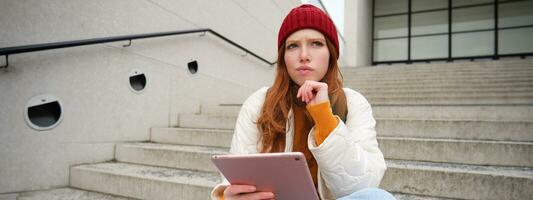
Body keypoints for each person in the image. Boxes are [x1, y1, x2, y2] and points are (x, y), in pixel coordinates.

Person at [211, 4, 395, 200]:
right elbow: (237, 175)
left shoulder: (353, 102)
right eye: (293, 46)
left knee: (376, 197)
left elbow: (361, 185)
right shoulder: (258, 102)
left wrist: (324, 118)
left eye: (316, 43)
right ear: (283, 57)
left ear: (331, 54)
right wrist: (229, 196)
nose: (304, 56)